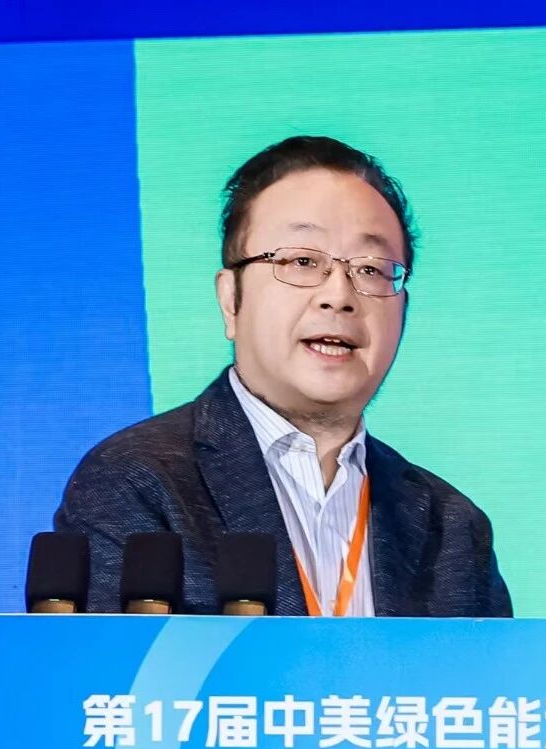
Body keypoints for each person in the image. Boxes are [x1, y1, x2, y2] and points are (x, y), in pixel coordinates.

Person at [55, 135, 511, 616]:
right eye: (302, 261)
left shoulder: (452, 528)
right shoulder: (137, 481)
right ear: (230, 300)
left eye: (371, 270)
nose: (339, 296)